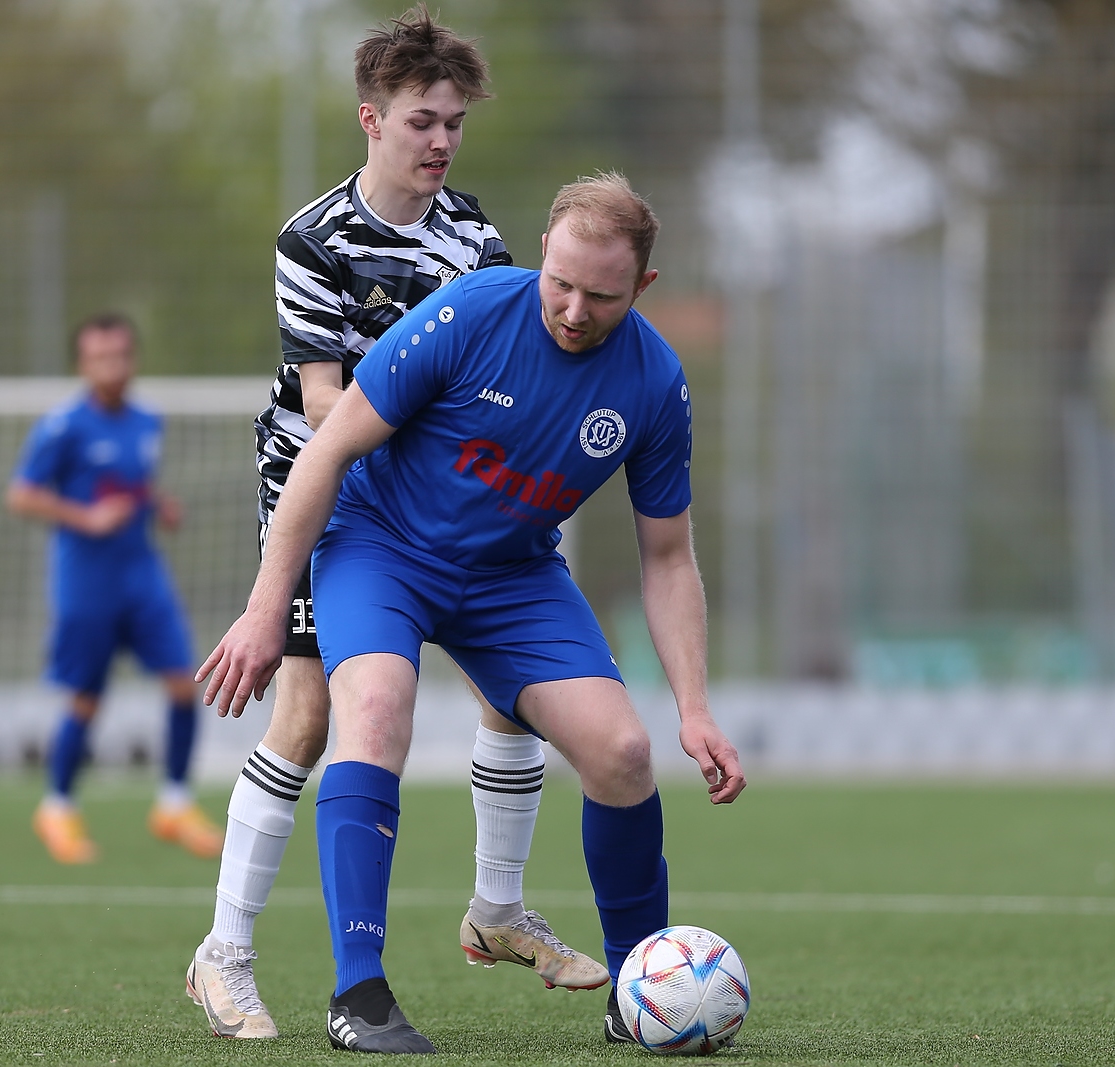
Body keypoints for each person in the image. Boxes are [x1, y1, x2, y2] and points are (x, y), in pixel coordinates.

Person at [198, 173, 747, 1054]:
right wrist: (268, 607)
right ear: (541, 255)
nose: (572, 309)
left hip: (510, 576)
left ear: (641, 288)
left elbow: (669, 555)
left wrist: (694, 709)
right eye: (559, 282)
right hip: (380, 544)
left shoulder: (652, 381)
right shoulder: (470, 312)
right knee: (372, 712)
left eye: (600, 295)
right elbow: (328, 444)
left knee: (624, 752)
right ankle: (359, 994)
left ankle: (638, 986)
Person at [183, 5, 604, 1043]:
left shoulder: (475, 235)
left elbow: (502, 373)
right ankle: (222, 953)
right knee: (310, 717)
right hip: (333, 494)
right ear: (371, 119)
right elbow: (327, 405)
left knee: (519, 692)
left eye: (454, 121)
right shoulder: (312, 238)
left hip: (449, 496)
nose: (441, 140)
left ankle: (497, 908)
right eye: (422, 119)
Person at [7, 313, 222, 865]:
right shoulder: (62, 427)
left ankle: (173, 803)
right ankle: (57, 808)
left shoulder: (148, 421)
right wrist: (85, 517)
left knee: (183, 682)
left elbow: (135, 485)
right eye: (100, 358)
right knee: (86, 697)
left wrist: (160, 506)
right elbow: (23, 495)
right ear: (83, 364)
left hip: (143, 574)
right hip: (87, 582)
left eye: (121, 356)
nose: (113, 367)